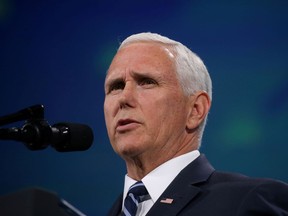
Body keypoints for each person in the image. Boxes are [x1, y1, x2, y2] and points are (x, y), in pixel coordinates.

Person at [104, 32, 288, 216]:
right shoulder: (115, 210)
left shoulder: (248, 201)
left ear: (195, 110)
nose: (124, 98)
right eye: (116, 86)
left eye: (147, 82)